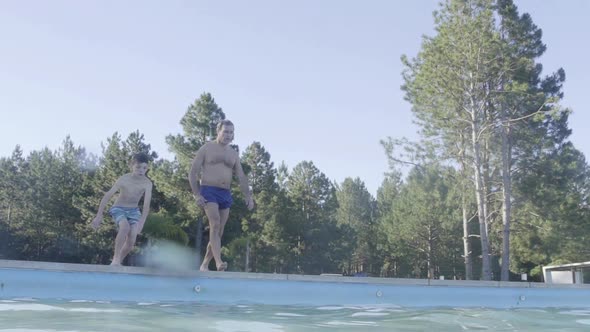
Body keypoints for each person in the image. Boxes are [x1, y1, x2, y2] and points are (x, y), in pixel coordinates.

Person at [189, 119, 254, 271]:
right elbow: (192, 173)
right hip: (208, 190)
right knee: (215, 223)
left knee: (219, 230)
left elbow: (241, 176)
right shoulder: (206, 148)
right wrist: (197, 194)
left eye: (231, 132)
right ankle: (219, 262)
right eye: (225, 131)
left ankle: (205, 264)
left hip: (225, 193)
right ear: (218, 131)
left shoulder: (233, 154)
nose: (228, 135)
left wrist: (247, 196)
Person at [91, 152, 153, 266]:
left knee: (131, 240)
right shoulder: (124, 179)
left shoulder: (147, 183)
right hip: (118, 208)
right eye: (138, 167)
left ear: (147, 168)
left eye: (144, 168)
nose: (141, 170)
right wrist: (99, 215)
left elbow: (146, 204)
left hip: (134, 211)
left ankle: (117, 262)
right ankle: (115, 258)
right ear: (131, 166)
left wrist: (142, 222)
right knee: (124, 227)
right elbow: (107, 196)